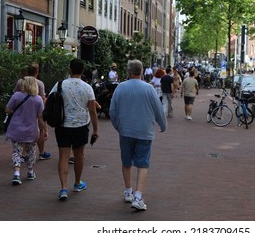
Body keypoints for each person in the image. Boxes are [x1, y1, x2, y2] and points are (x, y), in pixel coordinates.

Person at [109, 59, 167, 211]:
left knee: (126, 162)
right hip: (145, 131)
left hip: (125, 131)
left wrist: (118, 127)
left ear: (128, 71)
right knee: (142, 164)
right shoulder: (148, 89)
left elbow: (112, 111)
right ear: (142, 72)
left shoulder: (120, 87)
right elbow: (158, 110)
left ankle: (128, 192)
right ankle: (138, 197)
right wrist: (163, 125)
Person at [48, 58, 99, 201]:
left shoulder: (60, 84)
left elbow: (49, 101)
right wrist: (96, 129)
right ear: (82, 71)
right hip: (81, 125)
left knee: (63, 156)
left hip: (63, 125)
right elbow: (93, 110)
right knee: (79, 155)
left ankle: (63, 188)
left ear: (69, 70)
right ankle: (77, 183)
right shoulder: (87, 88)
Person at [5, 76, 46, 185]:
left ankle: (17, 174)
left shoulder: (16, 96)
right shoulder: (38, 99)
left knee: (16, 151)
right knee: (31, 151)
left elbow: (7, 110)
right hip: (31, 130)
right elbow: (40, 117)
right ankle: (30, 172)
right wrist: (44, 130)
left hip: (16, 129)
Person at [14, 62, 50, 160]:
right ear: (37, 72)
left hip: (23, 110)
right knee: (41, 129)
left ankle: (23, 153)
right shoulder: (39, 83)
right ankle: (41, 152)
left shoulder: (20, 82)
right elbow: (42, 98)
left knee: (23, 128)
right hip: (36, 109)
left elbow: (15, 95)